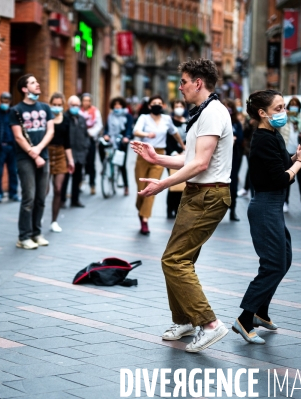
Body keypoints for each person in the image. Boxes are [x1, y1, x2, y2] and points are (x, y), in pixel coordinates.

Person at [130, 58, 233, 352]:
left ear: (198, 83)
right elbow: (191, 157)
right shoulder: (204, 112)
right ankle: (186, 320)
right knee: (178, 259)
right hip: (198, 194)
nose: (181, 88)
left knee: (174, 261)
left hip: (208, 195)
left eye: (184, 82)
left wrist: (162, 184)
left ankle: (210, 324)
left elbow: (200, 163)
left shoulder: (213, 113)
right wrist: (157, 159)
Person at [233, 90, 301, 344]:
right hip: (264, 207)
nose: (284, 112)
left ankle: (261, 311)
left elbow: (283, 165)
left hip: (272, 207)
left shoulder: (273, 136)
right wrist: (300, 162)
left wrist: (298, 155)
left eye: (283, 107)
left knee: (284, 259)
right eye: (279, 108)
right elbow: (282, 178)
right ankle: (245, 318)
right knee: (273, 264)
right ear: (262, 113)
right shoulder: (262, 139)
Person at [9, 74, 54, 249]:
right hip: (25, 159)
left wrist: (39, 149)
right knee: (29, 197)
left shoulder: (45, 107)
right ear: (24, 89)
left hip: (43, 156)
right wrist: (33, 154)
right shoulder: (16, 110)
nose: (38, 84)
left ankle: (37, 233)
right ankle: (24, 236)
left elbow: (50, 131)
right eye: (33, 82)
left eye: (37, 81)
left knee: (41, 198)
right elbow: (18, 136)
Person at [133, 95, 182, 235]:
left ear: (163, 105)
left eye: (159, 103)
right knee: (141, 188)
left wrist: (183, 145)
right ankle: (141, 209)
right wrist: (147, 134)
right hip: (143, 154)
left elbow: (175, 133)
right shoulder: (143, 118)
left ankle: (145, 220)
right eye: (154, 103)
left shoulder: (167, 119)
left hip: (158, 156)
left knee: (152, 188)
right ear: (149, 106)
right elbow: (135, 131)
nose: (157, 105)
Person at [279, 97, 301, 214]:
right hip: (286, 151)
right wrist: (285, 114)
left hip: (299, 152)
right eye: (292, 105)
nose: (294, 107)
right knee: (287, 177)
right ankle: (285, 202)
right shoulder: (285, 118)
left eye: (296, 105)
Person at [47, 93, 74, 232]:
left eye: (59, 105)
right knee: (44, 190)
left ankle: (54, 221)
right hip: (46, 152)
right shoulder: (46, 117)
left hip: (60, 154)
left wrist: (71, 160)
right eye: (54, 104)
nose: (56, 107)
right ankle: (37, 217)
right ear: (50, 104)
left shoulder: (66, 120)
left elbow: (67, 142)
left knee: (58, 189)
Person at [60, 95, 90, 208]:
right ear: (68, 105)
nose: (75, 107)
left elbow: (86, 135)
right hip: (67, 154)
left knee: (77, 179)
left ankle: (75, 199)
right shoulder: (63, 118)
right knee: (65, 178)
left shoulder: (81, 118)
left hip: (80, 153)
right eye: (73, 105)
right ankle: (62, 200)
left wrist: (85, 146)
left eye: (77, 105)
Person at [0, 92, 19, 202]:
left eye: (6, 102)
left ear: (10, 102)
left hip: (12, 147)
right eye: (2, 101)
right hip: (0, 148)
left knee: (13, 172)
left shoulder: (14, 113)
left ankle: (13, 193)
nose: (4, 103)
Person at [103, 96, 134, 196]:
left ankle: (126, 186)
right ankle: (104, 169)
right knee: (104, 151)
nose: (117, 106)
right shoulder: (110, 116)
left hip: (122, 142)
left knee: (122, 165)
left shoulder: (128, 116)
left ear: (122, 105)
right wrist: (106, 134)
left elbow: (129, 128)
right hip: (111, 141)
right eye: (115, 105)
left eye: (119, 104)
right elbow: (106, 128)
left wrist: (127, 137)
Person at [80, 93, 103, 195]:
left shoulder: (95, 111)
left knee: (91, 162)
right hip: (80, 140)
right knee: (81, 163)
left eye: (88, 100)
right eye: (85, 100)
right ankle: (80, 182)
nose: (86, 102)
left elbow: (99, 125)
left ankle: (92, 184)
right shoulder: (79, 111)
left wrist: (91, 132)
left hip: (91, 139)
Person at [224, 99, 243, 221]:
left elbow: (241, 138)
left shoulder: (236, 123)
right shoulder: (217, 121)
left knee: (233, 183)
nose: (228, 110)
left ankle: (233, 211)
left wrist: (235, 139)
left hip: (234, 156)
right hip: (221, 157)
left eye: (229, 107)